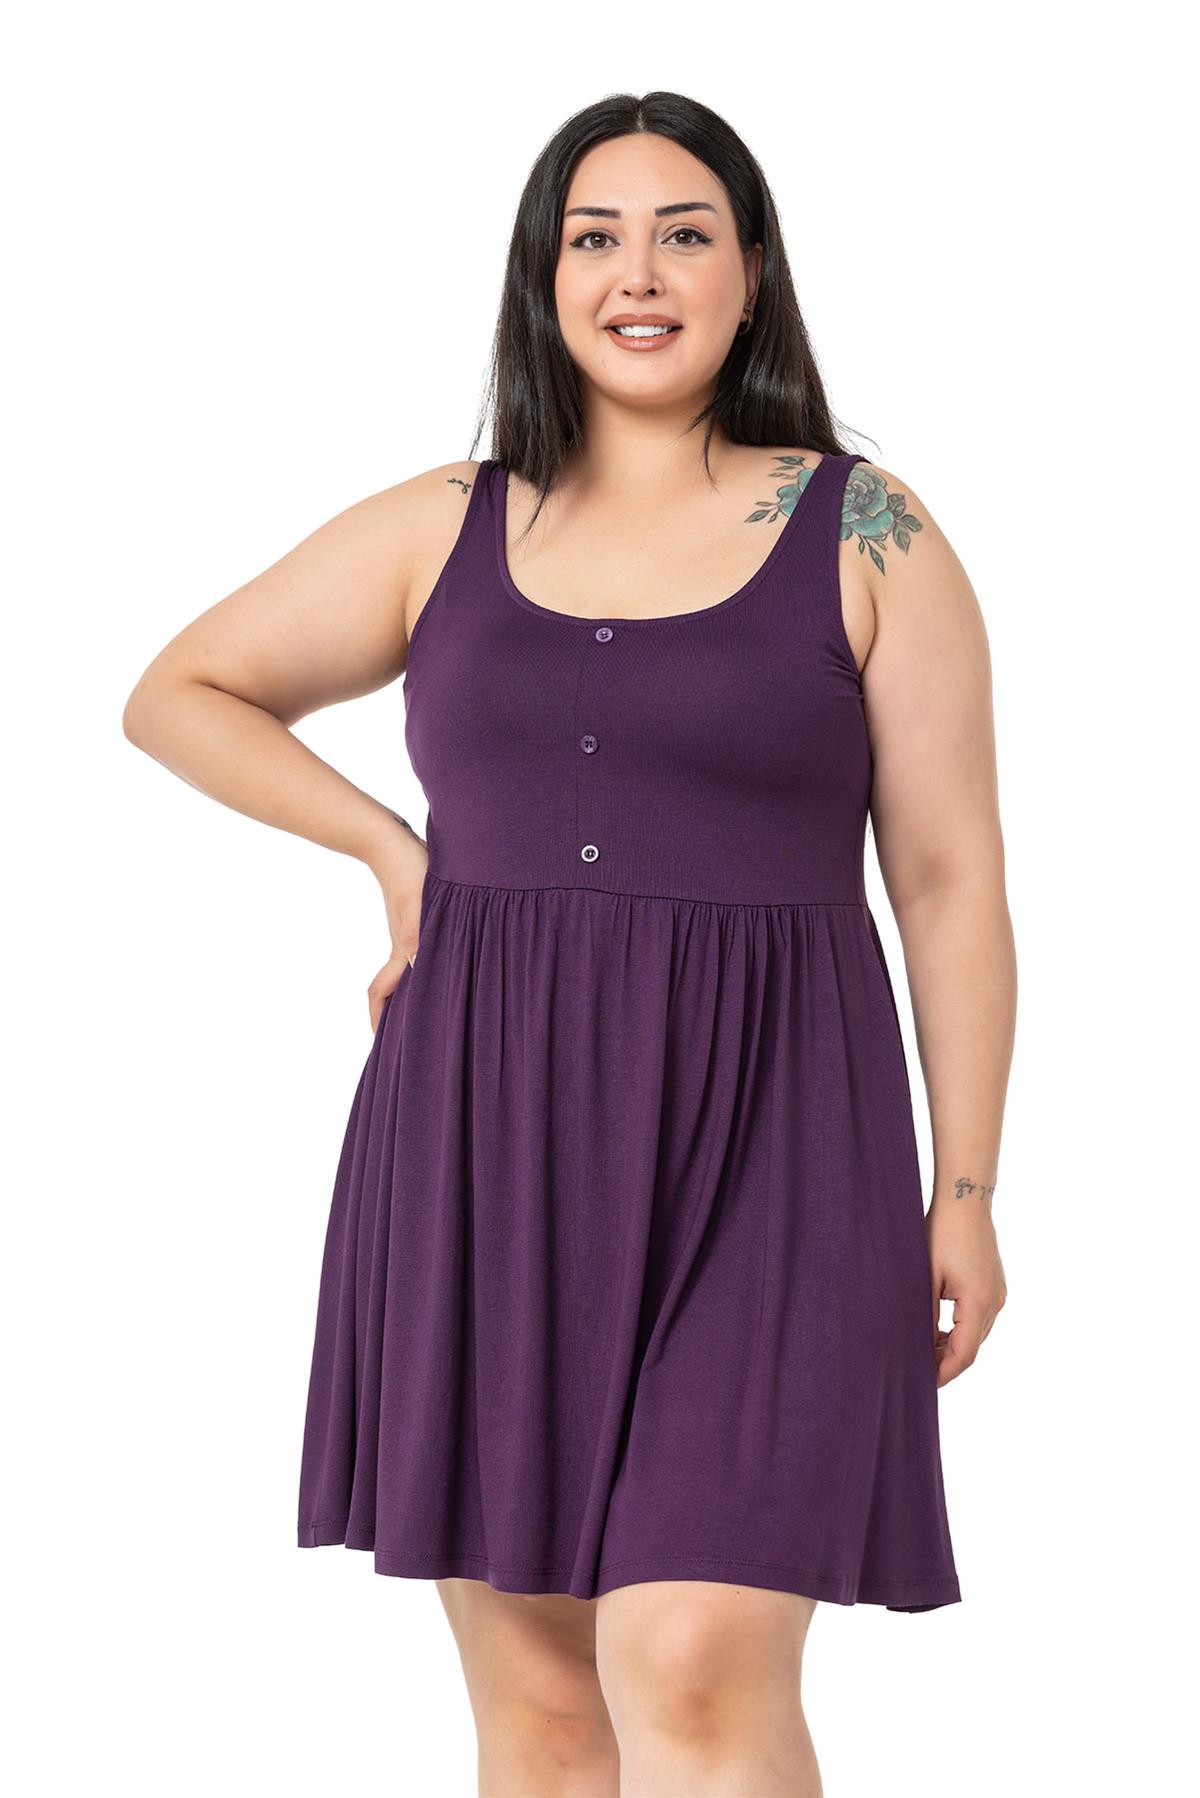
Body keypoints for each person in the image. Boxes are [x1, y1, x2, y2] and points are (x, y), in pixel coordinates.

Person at [124, 90, 1013, 1798]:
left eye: (685, 234)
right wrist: (392, 852)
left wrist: (963, 1186)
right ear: (545, 277)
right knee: (541, 1707)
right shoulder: (445, 521)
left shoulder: (869, 531)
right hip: (485, 1142)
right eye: (595, 238)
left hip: (778, 1149)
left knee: (691, 1658)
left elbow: (951, 876)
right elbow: (181, 690)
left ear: (753, 271)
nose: (639, 274)